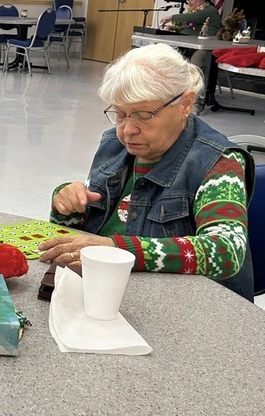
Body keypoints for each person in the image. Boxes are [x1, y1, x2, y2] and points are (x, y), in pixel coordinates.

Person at [38, 43, 255, 301]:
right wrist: (67, 206)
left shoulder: (219, 162)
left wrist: (117, 249)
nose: (127, 130)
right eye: (119, 114)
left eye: (143, 115)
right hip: (112, 294)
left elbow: (225, 251)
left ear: (185, 103)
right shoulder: (114, 145)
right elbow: (82, 236)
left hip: (189, 308)